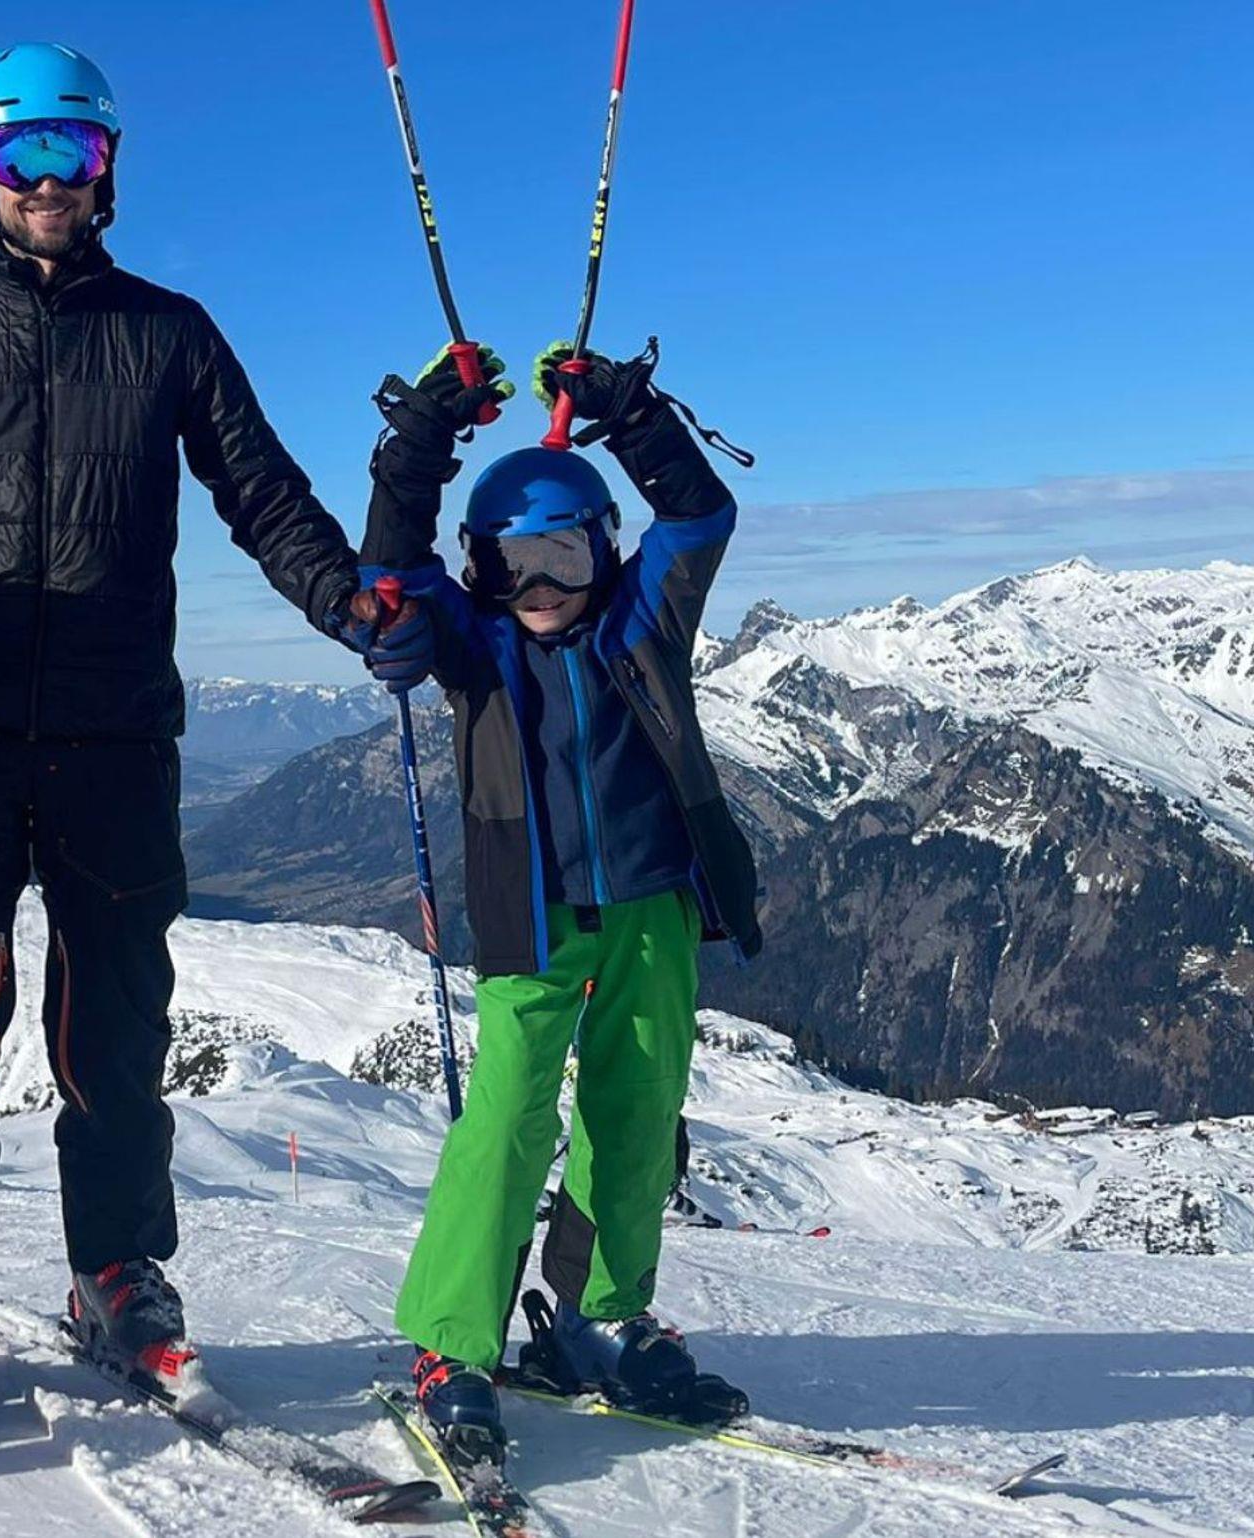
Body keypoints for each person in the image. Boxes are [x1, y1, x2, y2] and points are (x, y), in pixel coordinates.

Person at [0, 41, 378, 1419]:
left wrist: (345, 598)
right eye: (18, 155)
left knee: (115, 1031)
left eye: (71, 152)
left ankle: (114, 1272)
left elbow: (262, 492)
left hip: (116, 733)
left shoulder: (169, 332)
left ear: (107, 170)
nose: (46, 181)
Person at [350, 343, 762, 1464]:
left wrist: (629, 414)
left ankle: (598, 1312)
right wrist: (425, 433)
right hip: (530, 919)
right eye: (511, 564)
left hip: (653, 906)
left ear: (603, 547)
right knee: (506, 1121)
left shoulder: (642, 619)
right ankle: (453, 1341)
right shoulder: (473, 644)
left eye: (562, 556)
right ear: (478, 569)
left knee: (638, 1112)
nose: (539, 588)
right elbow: (390, 567)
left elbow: (700, 514)